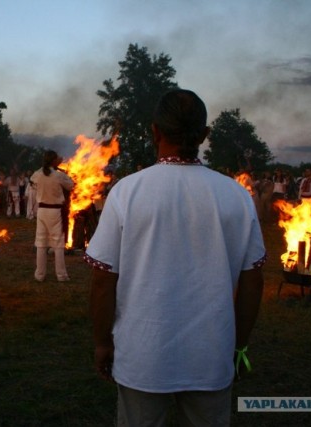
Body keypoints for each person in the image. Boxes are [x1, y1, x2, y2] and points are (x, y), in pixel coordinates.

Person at [86, 89, 266, 426]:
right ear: (204, 135)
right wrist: (238, 345)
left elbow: (102, 279)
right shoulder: (235, 196)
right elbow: (253, 280)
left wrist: (101, 342)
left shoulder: (127, 191)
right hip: (211, 354)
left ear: (154, 131)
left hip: (143, 354)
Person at [30, 150, 75, 282]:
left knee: (41, 242)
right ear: (54, 161)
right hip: (55, 211)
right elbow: (71, 185)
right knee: (58, 243)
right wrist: (62, 171)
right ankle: (61, 275)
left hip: (42, 211)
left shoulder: (38, 174)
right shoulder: (58, 175)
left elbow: (32, 180)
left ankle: (39, 275)